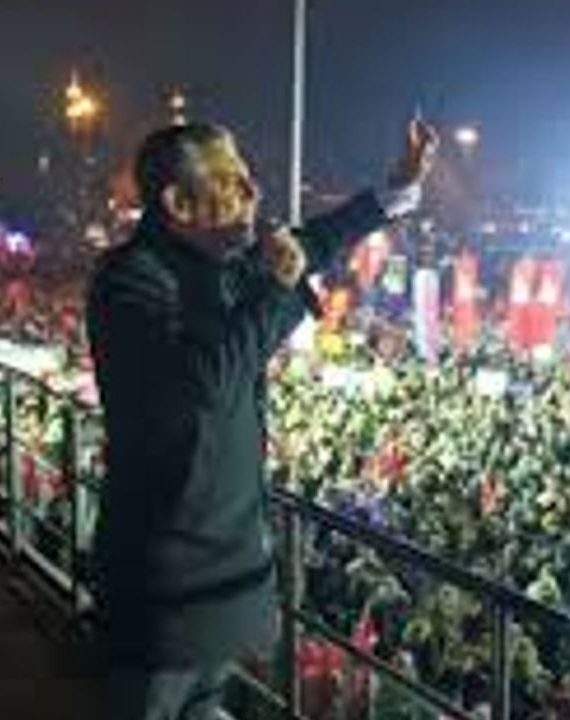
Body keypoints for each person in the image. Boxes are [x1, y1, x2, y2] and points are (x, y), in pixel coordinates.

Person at [85, 118, 437, 720]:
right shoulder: (132, 280)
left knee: (205, 705)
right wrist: (276, 287)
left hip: (232, 569)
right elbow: (202, 384)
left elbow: (316, 240)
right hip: (165, 581)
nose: (254, 192)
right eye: (232, 181)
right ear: (178, 204)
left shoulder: (219, 259)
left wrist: (394, 191)